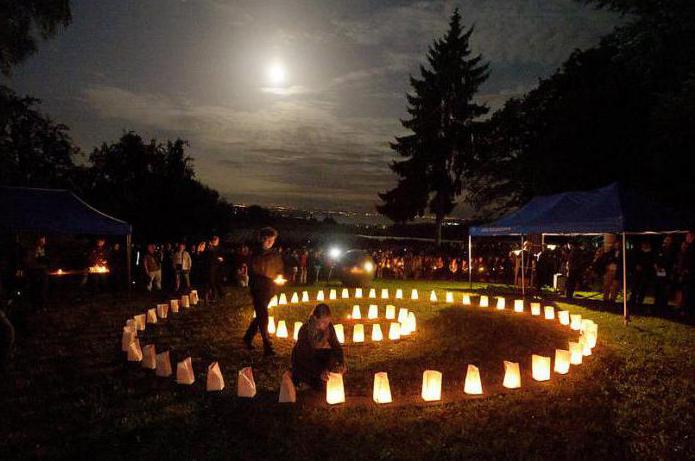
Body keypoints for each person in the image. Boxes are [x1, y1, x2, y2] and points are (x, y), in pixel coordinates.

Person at [243, 227, 284, 356]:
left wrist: (279, 276)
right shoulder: (255, 254)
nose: (270, 242)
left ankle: (248, 337)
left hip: (270, 288)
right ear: (262, 239)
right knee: (263, 315)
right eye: (268, 240)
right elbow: (255, 269)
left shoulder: (275, 254)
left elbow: (279, 267)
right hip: (258, 287)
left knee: (261, 314)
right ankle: (267, 345)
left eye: (272, 240)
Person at [291, 303, 345, 390]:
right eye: (323, 322)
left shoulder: (329, 328)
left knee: (331, 356)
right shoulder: (305, 330)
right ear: (315, 318)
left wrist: (341, 362)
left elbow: (336, 346)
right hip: (305, 361)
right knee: (317, 384)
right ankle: (302, 381)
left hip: (318, 359)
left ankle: (319, 379)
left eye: (328, 322)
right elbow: (305, 356)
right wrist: (319, 372)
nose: (326, 324)